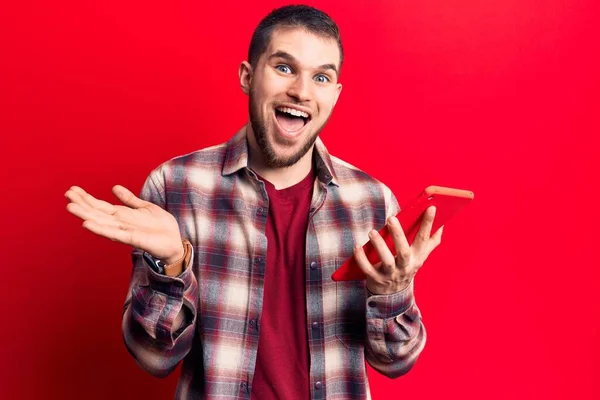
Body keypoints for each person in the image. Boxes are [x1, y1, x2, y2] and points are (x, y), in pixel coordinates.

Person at [65, 5, 443, 400]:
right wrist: (172, 266)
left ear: (335, 93)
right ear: (248, 77)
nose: (301, 90)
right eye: (284, 68)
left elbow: (396, 361)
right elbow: (152, 358)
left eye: (321, 77)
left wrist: (391, 293)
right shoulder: (175, 187)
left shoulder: (372, 202)